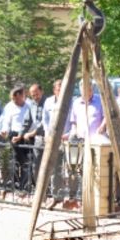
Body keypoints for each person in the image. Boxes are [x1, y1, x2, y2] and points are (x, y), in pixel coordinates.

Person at [0, 85, 35, 195]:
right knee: (16, 161)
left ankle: (26, 186)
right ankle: (16, 185)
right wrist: (4, 131)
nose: (16, 101)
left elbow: (34, 121)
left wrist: (28, 134)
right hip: (14, 135)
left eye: (18, 98)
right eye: (14, 98)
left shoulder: (30, 105)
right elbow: (6, 121)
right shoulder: (9, 106)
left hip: (28, 136)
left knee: (27, 161)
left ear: (23, 95)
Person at [42, 79, 73, 209]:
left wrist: (69, 134)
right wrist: (46, 134)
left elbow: (75, 120)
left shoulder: (72, 102)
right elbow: (45, 120)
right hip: (53, 140)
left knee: (72, 170)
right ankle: (56, 197)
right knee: (55, 170)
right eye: (59, 89)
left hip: (68, 139)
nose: (62, 91)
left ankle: (72, 198)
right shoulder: (48, 102)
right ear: (54, 90)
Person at [24, 83, 46, 188]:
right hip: (38, 139)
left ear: (42, 92)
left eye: (37, 94)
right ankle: (39, 189)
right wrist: (20, 134)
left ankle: (50, 191)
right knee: (36, 165)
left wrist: (33, 132)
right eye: (33, 95)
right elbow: (27, 121)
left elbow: (45, 121)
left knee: (49, 166)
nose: (35, 97)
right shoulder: (32, 104)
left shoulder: (48, 102)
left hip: (49, 137)